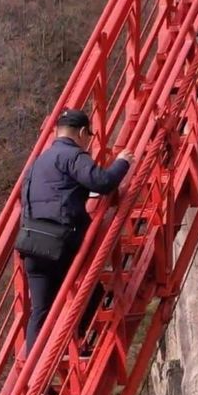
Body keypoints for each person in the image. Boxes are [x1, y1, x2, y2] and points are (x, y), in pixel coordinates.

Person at [20, 107, 133, 352]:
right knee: (91, 292)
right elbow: (102, 182)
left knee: (40, 311)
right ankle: (72, 346)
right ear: (82, 132)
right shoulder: (72, 155)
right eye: (88, 136)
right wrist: (122, 162)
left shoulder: (38, 162)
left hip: (31, 243)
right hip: (60, 243)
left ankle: (35, 370)